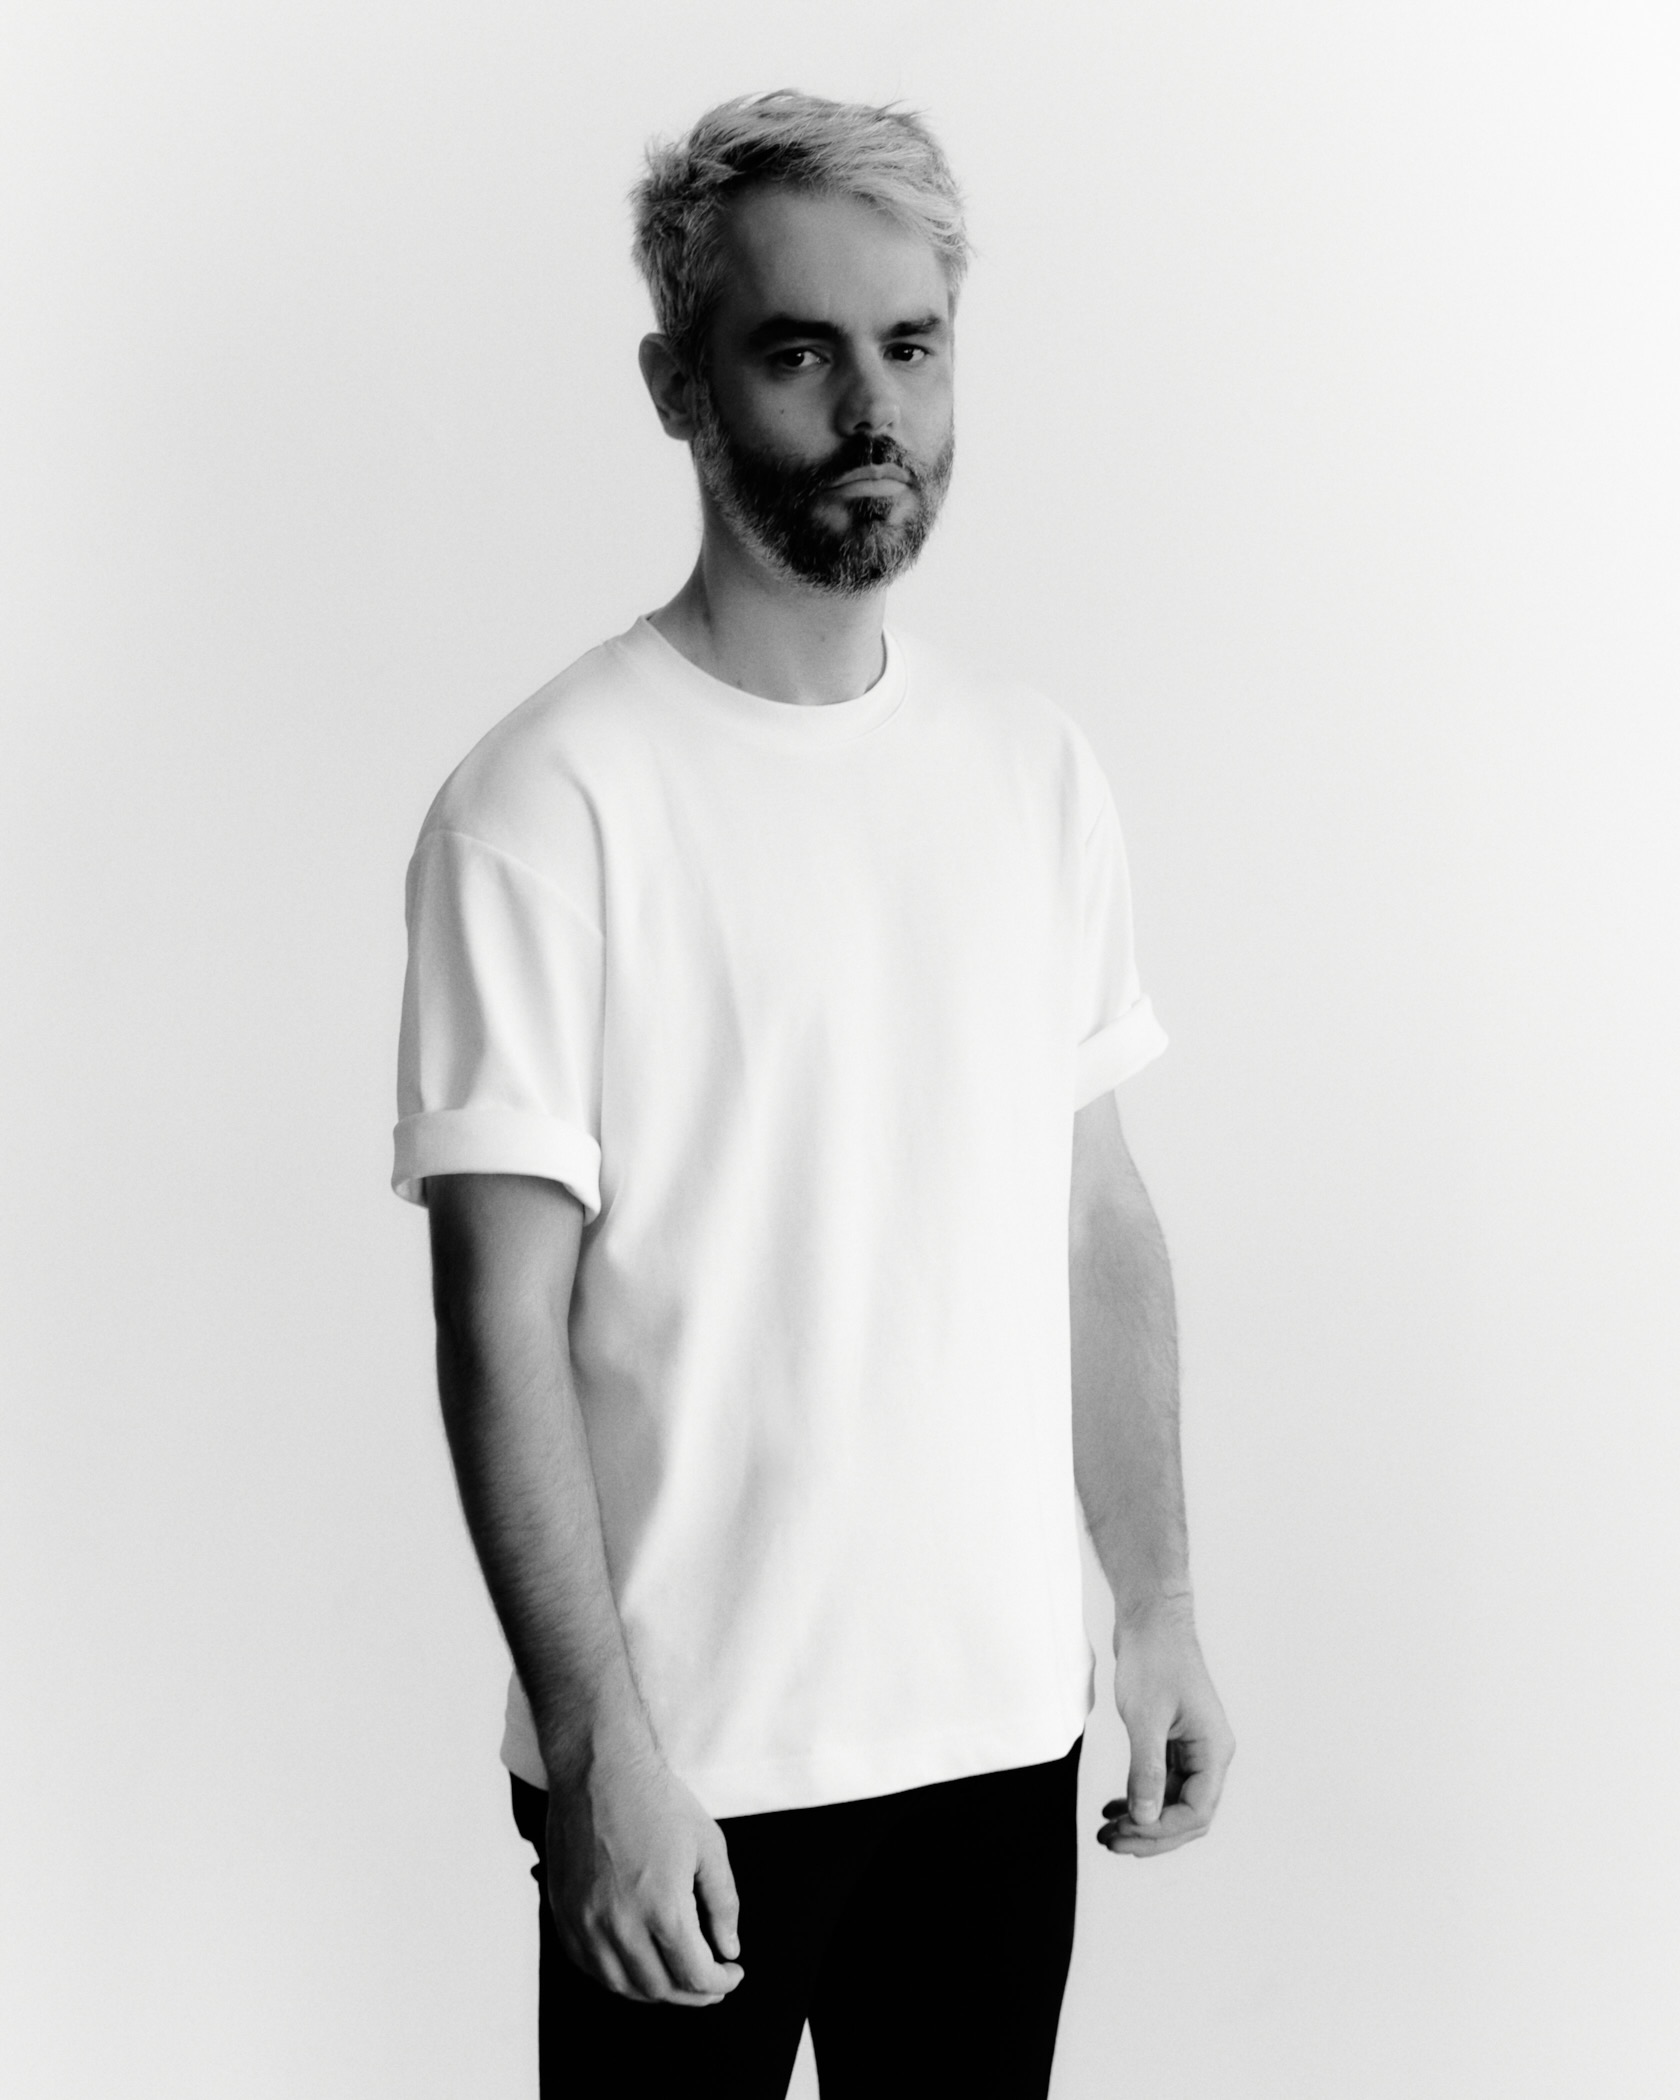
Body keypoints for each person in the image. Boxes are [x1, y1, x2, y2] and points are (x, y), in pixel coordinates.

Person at [393, 87, 1234, 2099]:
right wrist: (597, 1744)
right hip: (690, 1770)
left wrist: (1158, 1606)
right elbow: (499, 1319)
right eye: (799, 352)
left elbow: (1095, 1218)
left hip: (998, 1744)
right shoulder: (547, 806)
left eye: (912, 345)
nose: (874, 409)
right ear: (677, 387)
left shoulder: (1031, 772)